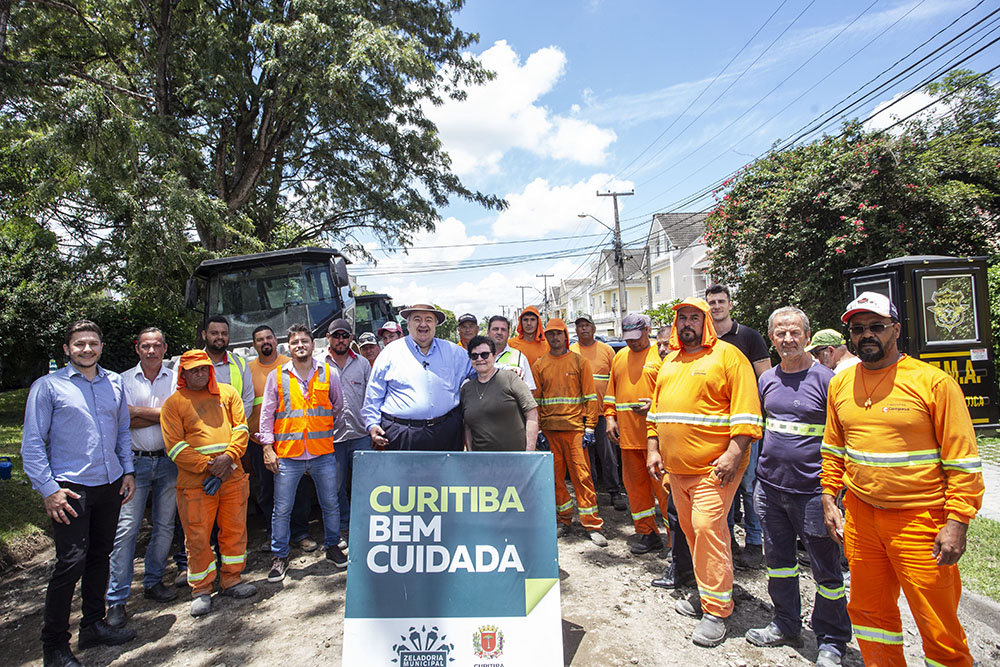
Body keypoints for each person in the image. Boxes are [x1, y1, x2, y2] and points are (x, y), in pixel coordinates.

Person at [821, 292, 984, 667]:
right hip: (861, 519)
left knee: (937, 624)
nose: (867, 335)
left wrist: (958, 522)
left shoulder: (933, 383)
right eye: (858, 329)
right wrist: (829, 497)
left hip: (921, 521)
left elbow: (962, 461)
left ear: (895, 329)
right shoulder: (840, 385)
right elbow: (833, 449)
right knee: (870, 614)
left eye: (876, 327)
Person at [646, 298, 762, 647]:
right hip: (676, 471)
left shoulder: (728, 357)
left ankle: (716, 612)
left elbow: (746, 411)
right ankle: (709, 592)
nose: (688, 324)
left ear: (706, 323)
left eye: (695, 318)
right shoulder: (670, 362)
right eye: (682, 318)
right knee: (694, 535)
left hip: (715, 470)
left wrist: (733, 453)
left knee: (707, 530)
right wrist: (654, 449)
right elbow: (656, 413)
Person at [22, 320, 137, 667]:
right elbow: (31, 445)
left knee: (100, 556)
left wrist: (127, 470)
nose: (87, 349)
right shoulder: (48, 387)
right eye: (80, 344)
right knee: (70, 563)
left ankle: (93, 625)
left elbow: (122, 431)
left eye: (93, 343)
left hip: (109, 485)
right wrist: (49, 490)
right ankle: (54, 646)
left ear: (101, 346)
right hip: (70, 491)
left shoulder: (114, 382)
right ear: (67, 349)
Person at [746, 307, 850, 667]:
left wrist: (834, 495)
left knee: (826, 570)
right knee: (779, 564)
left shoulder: (828, 380)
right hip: (771, 489)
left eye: (794, 333)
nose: (787, 339)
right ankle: (785, 623)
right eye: (780, 333)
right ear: (771, 338)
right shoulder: (767, 380)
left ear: (807, 337)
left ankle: (832, 639)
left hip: (813, 493)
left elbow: (842, 439)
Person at [161, 350, 256, 617]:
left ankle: (232, 579)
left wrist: (227, 459)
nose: (200, 374)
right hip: (196, 483)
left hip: (232, 476)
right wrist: (209, 467)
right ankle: (202, 589)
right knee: (198, 537)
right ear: (183, 374)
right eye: (194, 370)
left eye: (204, 369)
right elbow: (175, 447)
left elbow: (241, 429)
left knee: (235, 530)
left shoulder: (227, 394)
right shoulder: (174, 404)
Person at [258, 324, 346, 582]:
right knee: (282, 508)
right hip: (288, 454)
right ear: (289, 346)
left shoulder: (329, 373)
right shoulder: (277, 376)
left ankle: (332, 547)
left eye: (304, 341)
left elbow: (338, 408)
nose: (300, 346)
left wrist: (323, 429)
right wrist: (267, 447)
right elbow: (266, 415)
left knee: (330, 503)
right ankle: (280, 556)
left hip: (322, 452)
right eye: (295, 342)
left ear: (313, 344)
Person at [105, 328, 178, 632]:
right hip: (133, 463)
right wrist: (164, 414)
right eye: (145, 346)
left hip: (169, 459)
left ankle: (153, 581)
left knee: (165, 526)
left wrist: (142, 414)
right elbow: (124, 419)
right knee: (126, 530)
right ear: (137, 349)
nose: (151, 351)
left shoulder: (176, 378)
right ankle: (117, 600)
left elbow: (180, 415)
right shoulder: (121, 380)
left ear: (164, 348)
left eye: (156, 346)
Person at [705, 283, 770, 568]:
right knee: (722, 486)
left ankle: (755, 544)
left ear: (730, 304)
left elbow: (766, 380)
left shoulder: (749, 337)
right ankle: (728, 541)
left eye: (721, 301)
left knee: (749, 485)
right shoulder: (705, 341)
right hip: (715, 428)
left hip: (745, 426)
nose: (716, 306)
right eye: (712, 302)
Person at [532, 318, 608, 547]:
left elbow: (590, 397)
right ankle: (563, 520)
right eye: (551, 334)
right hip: (550, 431)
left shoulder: (579, 362)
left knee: (582, 478)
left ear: (566, 335)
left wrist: (590, 427)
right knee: (555, 480)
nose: (555, 338)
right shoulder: (539, 365)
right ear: (546, 337)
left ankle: (592, 524)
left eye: (559, 333)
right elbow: (536, 401)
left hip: (575, 430)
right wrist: (539, 431)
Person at [363, 303, 473, 451]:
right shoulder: (390, 353)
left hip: (447, 432)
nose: (423, 324)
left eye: (428, 319)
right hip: (402, 434)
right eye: (417, 319)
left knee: (445, 474)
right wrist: (372, 423)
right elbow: (374, 394)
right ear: (408, 324)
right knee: (404, 474)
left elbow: (481, 367)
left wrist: (508, 370)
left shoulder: (454, 352)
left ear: (435, 324)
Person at [246, 326, 315, 552]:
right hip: (261, 443)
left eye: (269, 337)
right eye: (260, 339)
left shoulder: (291, 363)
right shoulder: (248, 370)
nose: (265, 342)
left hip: (291, 441)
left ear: (276, 341)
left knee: (299, 490)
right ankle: (273, 533)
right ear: (254, 344)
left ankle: (300, 533)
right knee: (267, 491)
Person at [604, 313, 667, 555]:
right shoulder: (620, 357)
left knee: (664, 491)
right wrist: (610, 417)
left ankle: (676, 541)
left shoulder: (660, 355)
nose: (632, 342)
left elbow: (671, 393)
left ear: (648, 330)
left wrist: (653, 406)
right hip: (628, 439)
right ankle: (647, 533)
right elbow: (612, 392)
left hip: (656, 440)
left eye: (636, 337)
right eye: (628, 338)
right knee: (636, 490)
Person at [651, 321, 694, 591]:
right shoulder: (668, 368)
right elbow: (657, 414)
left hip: (702, 465)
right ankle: (681, 568)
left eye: (668, 343)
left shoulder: (693, 366)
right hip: (673, 462)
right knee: (676, 516)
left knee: (701, 525)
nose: (664, 349)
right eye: (660, 345)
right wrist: (654, 449)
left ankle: (700, 581)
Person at [571, 313, 626, 512]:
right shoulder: (571, 351)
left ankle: (614, 492)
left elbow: (616, 380)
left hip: (603, 414)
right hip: (579, 414)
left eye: (587, 325)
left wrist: (615, 413)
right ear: (576, 330)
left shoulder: (607, 350)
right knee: (584, 457)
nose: (583, 329)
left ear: (594, 328)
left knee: (608, 455)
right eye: (580, 326)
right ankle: (590, 494)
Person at [325, 318, 372, 541]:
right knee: (336, 487)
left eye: (345, 336)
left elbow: (372, 399)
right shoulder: (319, 365)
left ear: (351, 338)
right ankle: (344, 525)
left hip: (361, 434)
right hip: (331, 438)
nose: (341, 340)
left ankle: (366, 525)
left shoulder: (363, 364)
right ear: (328, 338)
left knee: (366, 484)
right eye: (336, 336)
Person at [460, 335, 539, 451]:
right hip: (482, 462)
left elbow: (532, 414)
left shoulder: (511, 378)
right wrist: (471, 455)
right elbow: (467, 426)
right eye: (474, 356)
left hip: (515, 459)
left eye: (485, 354)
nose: (480, 359)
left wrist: (529, 453)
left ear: (494, 356)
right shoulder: (466, 389)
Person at [201, 315, 254, 421]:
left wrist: (233, 425)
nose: (220, 337)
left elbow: (248, 400)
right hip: (200, 432)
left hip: (233, 431)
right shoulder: (190, 363)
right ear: (204, 335)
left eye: (224, 334)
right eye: (214, 333)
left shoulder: (240, 364)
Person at [488, 315, 535, 390]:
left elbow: (530, 390)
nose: (499, 332)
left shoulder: (519, 357)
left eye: (503, 329)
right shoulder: (479, 356)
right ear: (488, 332)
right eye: (495, 329)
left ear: (508, 333)